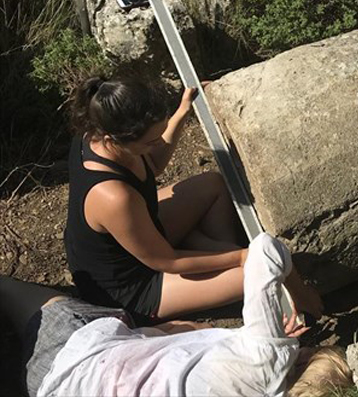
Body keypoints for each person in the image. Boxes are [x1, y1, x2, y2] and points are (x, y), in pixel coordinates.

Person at [64, 76, 322, 324]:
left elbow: (153, 164)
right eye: (150, 141)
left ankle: (212, 256)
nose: (158, 144)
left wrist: (184, 110)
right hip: (133, 288)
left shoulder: (99, 131)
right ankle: (263, 291)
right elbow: (168, 261)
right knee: (264, 268)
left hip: (140, 238)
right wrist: (242, 257)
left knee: (213, 184)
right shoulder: (113, 196)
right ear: (113, 139)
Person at [1, 232, 353, 396]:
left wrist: (300, 294)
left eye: (309, 351)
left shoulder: (264, 361)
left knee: (10, 290)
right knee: (180, 333)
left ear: (303, 362)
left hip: (76, 352)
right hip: (52, 390)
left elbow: (266, 249)